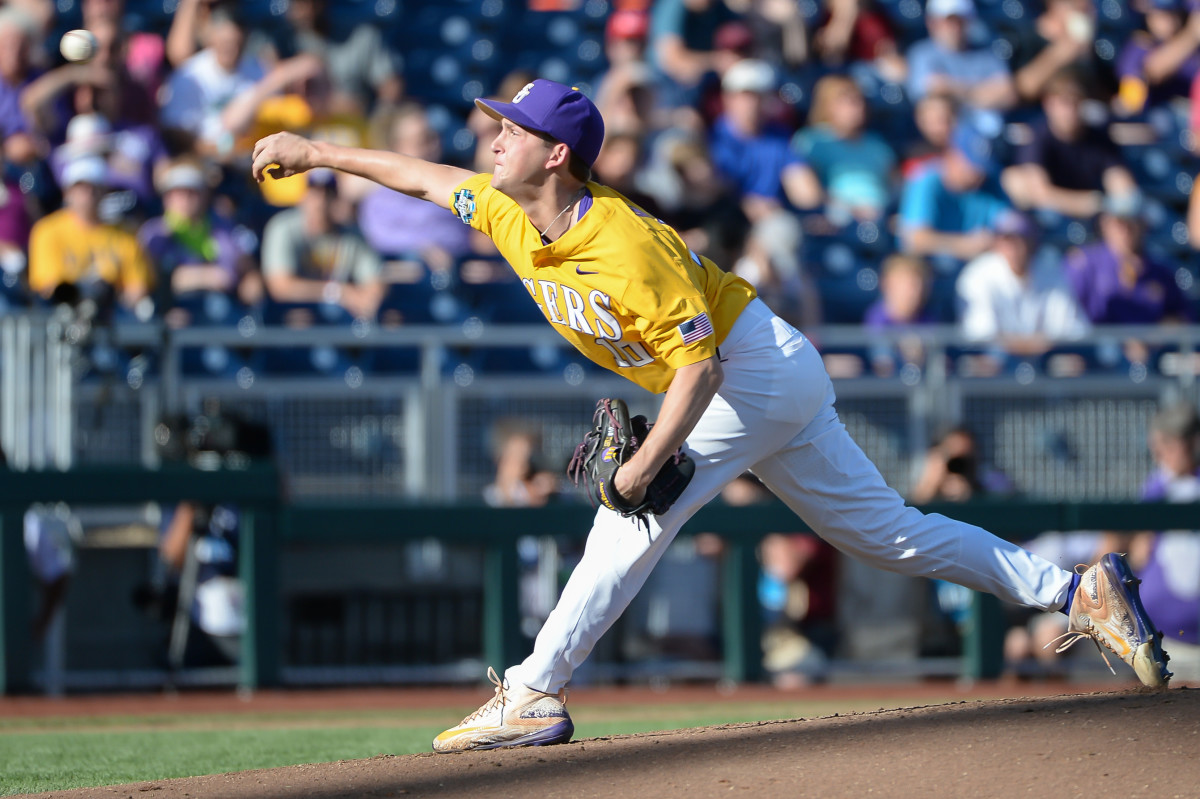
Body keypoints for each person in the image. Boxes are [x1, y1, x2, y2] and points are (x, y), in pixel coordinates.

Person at [251, 78, 1173, 753]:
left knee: (628, 521)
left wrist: (648, 464)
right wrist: (321, 152)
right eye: (501, 124)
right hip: (769, 370)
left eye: (514, 129)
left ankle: (535, 691)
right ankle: (1070, 590)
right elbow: (419, 177)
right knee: (889, 531)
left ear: (556, 153)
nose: (495, 136)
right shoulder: (504, 209)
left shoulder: (624, 241)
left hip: (747, 372)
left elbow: (696, 367)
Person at [1001, 71, 1136, 220]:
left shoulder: (1098, 136)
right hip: (1051, 214)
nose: (1070, 110)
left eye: (1075, 101)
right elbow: (1040, 192)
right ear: (1048, 104)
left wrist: (1120, 199)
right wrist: (1090, 204)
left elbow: (1120, 180)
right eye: (1064, 102)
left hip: (1092, 212)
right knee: (1015, 181)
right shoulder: (1038, 135)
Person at [28, 156, 153, 315]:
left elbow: (137, 286)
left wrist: (109, 302)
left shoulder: (126, 235)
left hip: (112, 317)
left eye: (94, 188)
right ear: (67, 192)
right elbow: (48, 286)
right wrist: (85, 296)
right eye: (80, 188)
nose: (88, 195)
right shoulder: (47, 230)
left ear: (104, 191)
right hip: (63, 315)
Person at [956, 210, 1091, 355]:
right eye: (1008, 239)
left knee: (1069, 364)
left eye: (1022, 238)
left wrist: (1033, 346)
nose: (1015, 246)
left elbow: (1070, 328)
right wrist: (1022, 346)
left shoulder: (1051, 268)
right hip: (995, 356)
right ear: (997, 242)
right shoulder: (977, 274)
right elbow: (980, 333)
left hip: (1047, 355)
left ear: (1033, 242)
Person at [260, 168, 384, 321]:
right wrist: (338, 292)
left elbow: (374, 278)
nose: (321, 201)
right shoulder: (283, 227)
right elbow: (280, 287)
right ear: (304, 196)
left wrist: (368, 300)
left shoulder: (351, 236)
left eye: (328, 194)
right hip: (290, 314)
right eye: (315, 192)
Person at [898, 120, 1010, 263]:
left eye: (980, 168)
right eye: (971, 165)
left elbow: (1011, 222)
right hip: (928, 273)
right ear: (952, 154)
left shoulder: (989, 183)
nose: (976, 174)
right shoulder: (927, 180)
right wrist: (963, 245)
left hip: (975, 273)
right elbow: (914, 239)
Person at [789, 74, 896, 222]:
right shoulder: (811, 141)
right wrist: (851, 210)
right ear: (828, 106)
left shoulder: (877, 145)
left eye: (860, 101)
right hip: (838, 222)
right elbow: (808, 191)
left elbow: (895, 185)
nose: (859, 107)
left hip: (882, 220)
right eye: (849, 102)